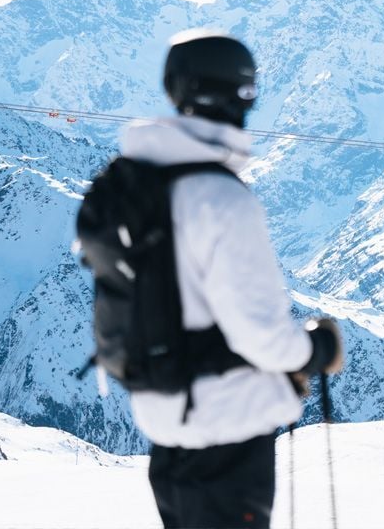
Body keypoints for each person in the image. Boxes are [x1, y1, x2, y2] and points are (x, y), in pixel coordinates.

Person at [123, 28, 343, 529]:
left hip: (166, 426)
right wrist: (314, 352)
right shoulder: (221, 199)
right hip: (226, 431)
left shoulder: (136, 187)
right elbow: (260, 335)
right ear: (243, 92)